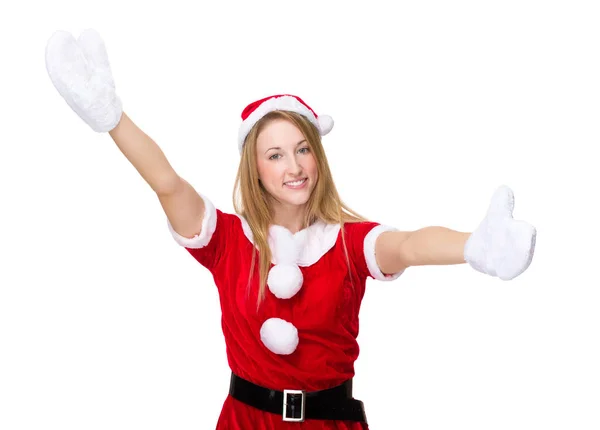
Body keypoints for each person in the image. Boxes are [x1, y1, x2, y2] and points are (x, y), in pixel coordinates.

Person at [45, 28, 537, 429]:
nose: (294, 166)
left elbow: (408, 246)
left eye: (303, 149)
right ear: (255, 169)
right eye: (275, 154)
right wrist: (112, 119)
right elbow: (168, 184)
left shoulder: (349, 243)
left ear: (318, 156)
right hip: (245, 422)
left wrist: (474, 246)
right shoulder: (227, 242)